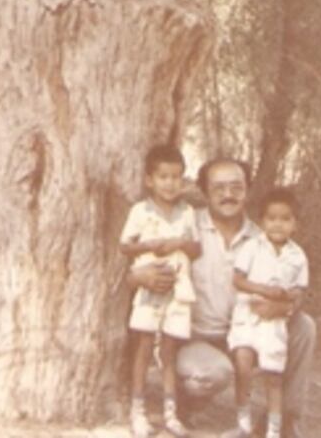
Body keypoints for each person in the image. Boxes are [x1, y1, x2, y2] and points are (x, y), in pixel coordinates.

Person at [129, 157, 316, 438]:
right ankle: (184, 402)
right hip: (195, 337)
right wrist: (138, 276)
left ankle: (283, 420)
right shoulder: (187, 224)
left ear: (247, 190)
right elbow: (140, 264)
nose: (228, 195)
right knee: (209, 373)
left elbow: (295, 288)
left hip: (246, 332)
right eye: (218, 188)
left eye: (236, 187)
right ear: (204, 191)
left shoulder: (264, 236)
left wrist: (284, 306)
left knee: (304, 327)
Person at [120, 144, 200, 438]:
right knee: (143, 347)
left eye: (176, 177)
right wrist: (149, 245)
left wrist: (180, 243)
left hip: (178, 291)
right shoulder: (140, 211)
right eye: (163, 177)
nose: (170, 183)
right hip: (150, 289)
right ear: (149, 180)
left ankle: (170, 413)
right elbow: (125, 246)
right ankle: (138, 411)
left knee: (169, 351)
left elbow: (196, 248)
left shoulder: (187, 212)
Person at [227, 187, 309, 438]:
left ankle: (273, 430)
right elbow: (238, 280)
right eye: (272, 218)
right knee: (243, 363)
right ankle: (243, 422)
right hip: (247, 316)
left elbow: (300, 291)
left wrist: (284, 299)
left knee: (274, 375)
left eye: (285, 219)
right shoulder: (253, 247)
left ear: (295, 224)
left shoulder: (297, 256)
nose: (278, 225)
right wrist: (262, 289)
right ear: (262, 221)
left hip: (275, 323)